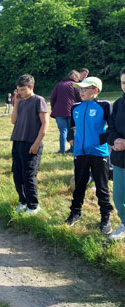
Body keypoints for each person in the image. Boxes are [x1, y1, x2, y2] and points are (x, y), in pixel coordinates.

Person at [65, 77, 114, 234]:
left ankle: (105, 217)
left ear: (95, 90)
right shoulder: (75, 107)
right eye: (79, 89)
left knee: (102, 186)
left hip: (99, 153)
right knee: (79, 184)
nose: (81, 92)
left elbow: (113, 127)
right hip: (80, 152)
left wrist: (101, 140)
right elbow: (71, 125)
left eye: (84, 89)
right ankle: (75, 213)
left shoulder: (104, 105)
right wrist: (71, 138)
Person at [11, 74, 49, 215]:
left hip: (31, 143)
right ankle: (23, 201)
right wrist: (16, 103)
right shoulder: (20, 102)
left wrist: (36, 143)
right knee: (17, 173)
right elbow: (13, 121)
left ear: (30, 87)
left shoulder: (39, 100)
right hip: (18, 141)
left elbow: (45, 123)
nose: (19, 92)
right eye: (18, 89)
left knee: (28, 175)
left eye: (22, 89)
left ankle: (33, 206)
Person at [108, 68, 125, 240]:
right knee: (119, 195)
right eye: (123, 82)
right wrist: (115, 140)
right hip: (120, 158)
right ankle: (124, 224)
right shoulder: (118, 104)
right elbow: (111, 128)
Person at [50, 70, 82, 154]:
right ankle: (72, 148)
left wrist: (54, 109)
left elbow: (52, 98)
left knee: (63, 132)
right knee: (73, 130)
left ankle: (62, 150)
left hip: (59, 112)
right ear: (75, 77)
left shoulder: (59, 85)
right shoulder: (75, 85)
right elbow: (79, 98)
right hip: (72, 111)